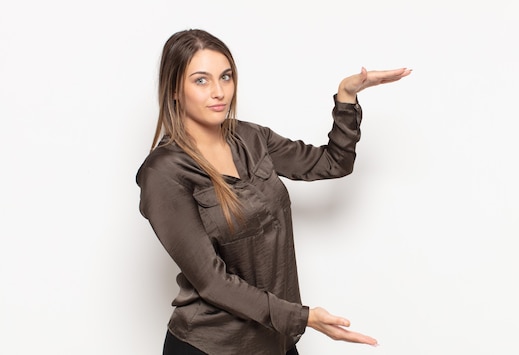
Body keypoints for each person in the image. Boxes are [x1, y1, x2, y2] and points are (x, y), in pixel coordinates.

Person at [136, 28, 411, 355]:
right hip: (212, 345)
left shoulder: (252, 139)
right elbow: (211, 280)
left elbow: (333, 163)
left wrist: (346, 97)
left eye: (225, 77)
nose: (218, 91)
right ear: (174, 90)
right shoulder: (163, 173)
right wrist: (302, 318)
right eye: (201, 80)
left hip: (274, 340)